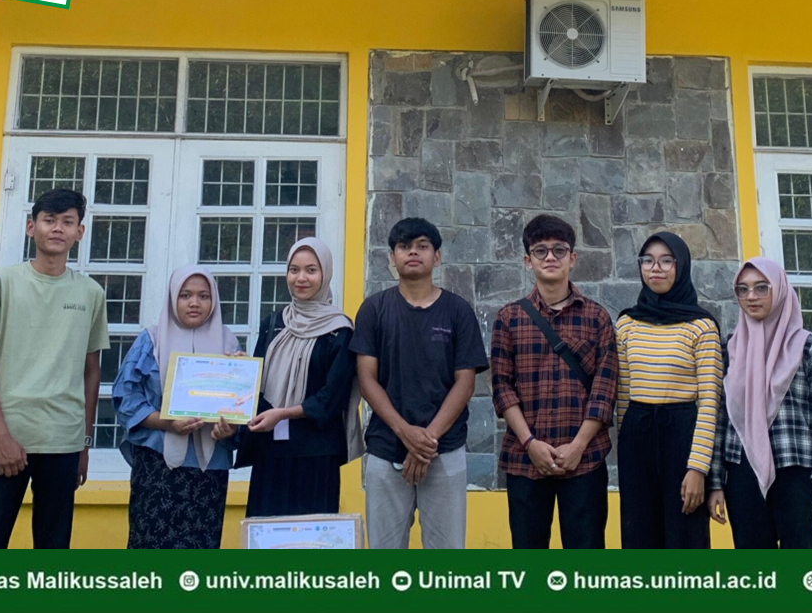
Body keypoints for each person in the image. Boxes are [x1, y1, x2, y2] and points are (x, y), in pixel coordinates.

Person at [0, 188, 109, 549]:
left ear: (80, 232)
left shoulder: (91, 293)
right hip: (5, 439)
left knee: (53, 546)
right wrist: (1, 437)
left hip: (63, 440)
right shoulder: (1, 283)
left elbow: (92, 370)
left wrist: (84, 444)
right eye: (49, 220)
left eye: (68, 222)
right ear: (32, 227)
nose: (58, 228)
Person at [352, 217, 488, 549]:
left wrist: (426, 441)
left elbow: (465, 383)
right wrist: (406, 433)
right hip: (386, 449)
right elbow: (367, 380)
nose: (413, 252)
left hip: (445, 450)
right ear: (392, 257)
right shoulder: (373, 310)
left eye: (422, 246)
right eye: (404, 247)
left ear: (436, 257)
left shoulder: (458, 311)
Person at [491, 215, 618, 549]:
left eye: (559, 250)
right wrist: (530, 442)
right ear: (527, 260)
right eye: (541, 251)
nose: (550, 257)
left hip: (585, 458)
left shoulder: (597, 318)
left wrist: (577, 446)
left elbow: (604, 390)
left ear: (572, 258)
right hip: (525, 458)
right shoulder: (509, 318)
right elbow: (502, 388)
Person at [707, 257, 812, 548]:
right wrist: (716, 482)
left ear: (779, 290)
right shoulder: (730, 348)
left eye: (761, 287)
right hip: (742, 472)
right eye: (742, 289)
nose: (751, 296)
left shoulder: (807, 347)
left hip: (797, 472)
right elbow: (721, 419)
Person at [112, 265, 244, 548]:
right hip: (158, 464)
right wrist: (166, 422)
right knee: (151, 546)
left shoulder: (229, 345)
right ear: (173, 298)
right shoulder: (152, 340)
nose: (194, 303)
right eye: (185, 295)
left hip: (209, 469)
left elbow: (240, 404)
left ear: (214, 300)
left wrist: (230, 428)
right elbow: (126, 397)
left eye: (203, 296)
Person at [236, 237, 361, 517]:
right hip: (270, 451)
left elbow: (333, 398)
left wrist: (283, 414)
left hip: (316, 454)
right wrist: (242, 370)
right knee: (265, 534)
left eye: (311, 270)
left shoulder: (339, 331)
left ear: (325, 274)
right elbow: (258, 383)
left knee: (310, 536)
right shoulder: (273, 324)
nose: (301, 278)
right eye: (294, 270)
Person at [615, 231, 722, 549]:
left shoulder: (701, 326)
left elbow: (709, 402)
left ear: (681, 266)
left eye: (666, 261)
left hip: (682, 437)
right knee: (639, 536)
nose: (656, 268)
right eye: (648, 260)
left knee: (685, 536)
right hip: (637, 438)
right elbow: (623, 397)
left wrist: (698, 468)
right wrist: (627, 450)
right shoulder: (627, 324)